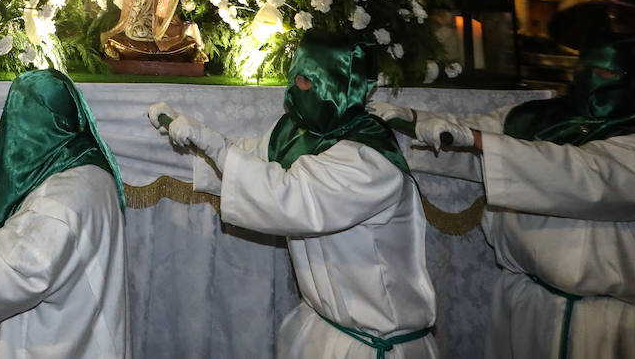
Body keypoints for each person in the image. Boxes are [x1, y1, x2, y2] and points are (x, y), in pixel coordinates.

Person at [370, 32, 635, 359]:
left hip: (607, 325)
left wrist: (473, 139)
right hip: (525, 303)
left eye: (607, 72)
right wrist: (409, 119)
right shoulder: (548, 118)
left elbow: (582, 176)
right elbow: (475, 138)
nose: (592, 79)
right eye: (585, 68)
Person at [149, 34, 438, 359]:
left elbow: (290, 197)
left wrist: (213, 144)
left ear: (338, 86)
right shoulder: (296, 133)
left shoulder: (369, 162)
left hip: (374, 345)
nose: (292, 88)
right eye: (293, 75)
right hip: (322, 327)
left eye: (305, 80)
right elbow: (246, 160)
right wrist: (176, 135)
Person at [0, 69, 130, 358]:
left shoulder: (60, 204)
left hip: (48, 344)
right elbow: (24, 189)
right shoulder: (82, 164)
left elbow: (0, 280)